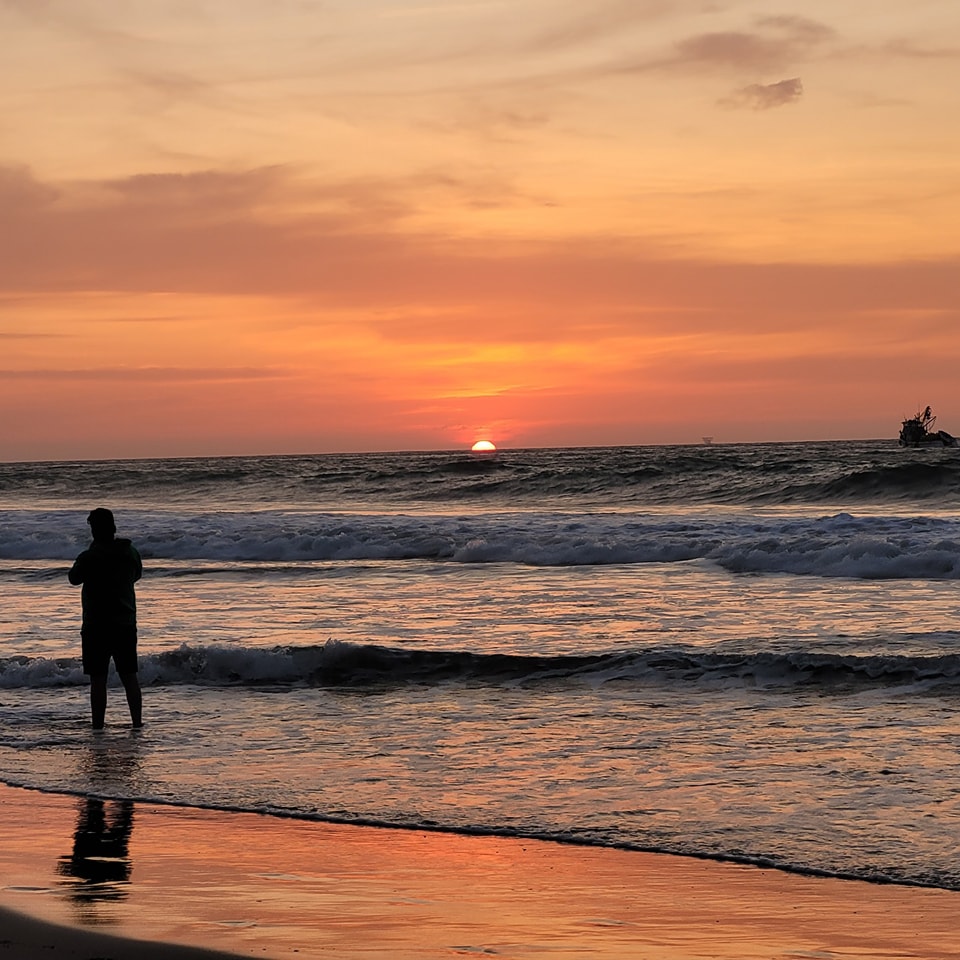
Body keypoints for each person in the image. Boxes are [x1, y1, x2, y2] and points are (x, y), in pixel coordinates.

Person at [68, 508, 143, 729]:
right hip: (125, 622)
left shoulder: (90, 556)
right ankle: (137, 723)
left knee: (98, 679)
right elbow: (137, 575)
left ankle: (98, 727)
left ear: (94, 530)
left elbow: (73, 578)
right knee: (130, 677)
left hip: (96, 625)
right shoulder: (129, 552)